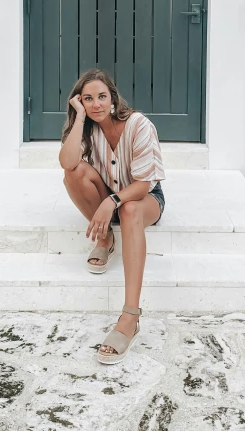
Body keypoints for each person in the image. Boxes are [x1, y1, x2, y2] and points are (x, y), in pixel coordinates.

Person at [59, 68, 166, 364]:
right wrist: (78, 117)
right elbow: (68, 162)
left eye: (102, 97)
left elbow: (145, 184)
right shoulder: (87, 127)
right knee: (74, 174)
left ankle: (130, 317)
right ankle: (105, 239)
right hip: (109, 195)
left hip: (143, 199)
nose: (96, 105)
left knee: (130, 208)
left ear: (113, 98)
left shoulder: (138, 124)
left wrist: (113, 201)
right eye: (88, 99)